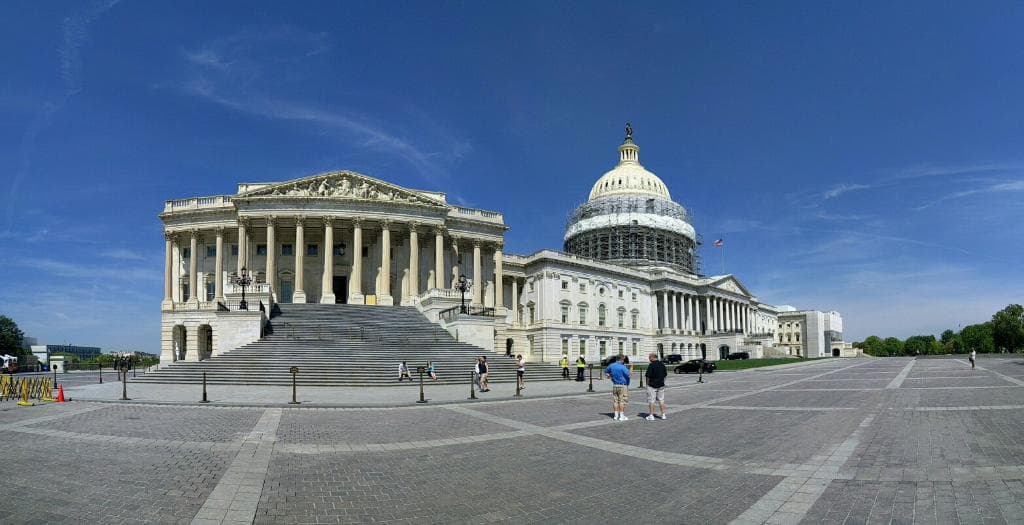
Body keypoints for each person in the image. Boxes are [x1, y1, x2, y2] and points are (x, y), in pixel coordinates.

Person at [605, 355, 631, 421]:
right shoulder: (623, 366)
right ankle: (621, 416)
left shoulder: (611, 365)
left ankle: (616, 415)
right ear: (622, 359)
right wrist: (631, 368)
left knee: (615, 401)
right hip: (623, 385)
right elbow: (629, 374)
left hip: (615, 385)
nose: (624, 361)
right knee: (622, 401)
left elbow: (606, 371)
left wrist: (610, 376)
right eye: (623, 360)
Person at [644, 352, 668, 420]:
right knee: (661, 400)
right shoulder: (662, 364)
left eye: (649, 357)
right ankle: (663, 415)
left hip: (652, 385)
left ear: (653, 357)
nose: (649, 359)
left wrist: (647, 384)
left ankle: (651, 415)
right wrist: (663, 382)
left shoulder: (651, 365)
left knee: (651, 400)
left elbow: (648, 376)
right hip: (661, 385)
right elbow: (665, 375)